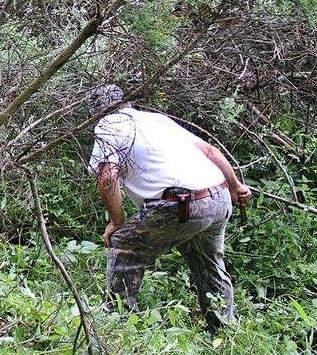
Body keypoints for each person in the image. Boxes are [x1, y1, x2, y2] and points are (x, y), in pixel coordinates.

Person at [87, 85, 252, 330]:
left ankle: (117, 325)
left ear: (94, 113)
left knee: (124, 245)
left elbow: (108, 177)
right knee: (209, 263)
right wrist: (236, 186)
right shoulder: (156, 120)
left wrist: (116, 222)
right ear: (125, 103)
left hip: (183, 203)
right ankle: (225, 330)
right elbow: (209, 151)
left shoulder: (108, 126)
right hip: (219, 195)